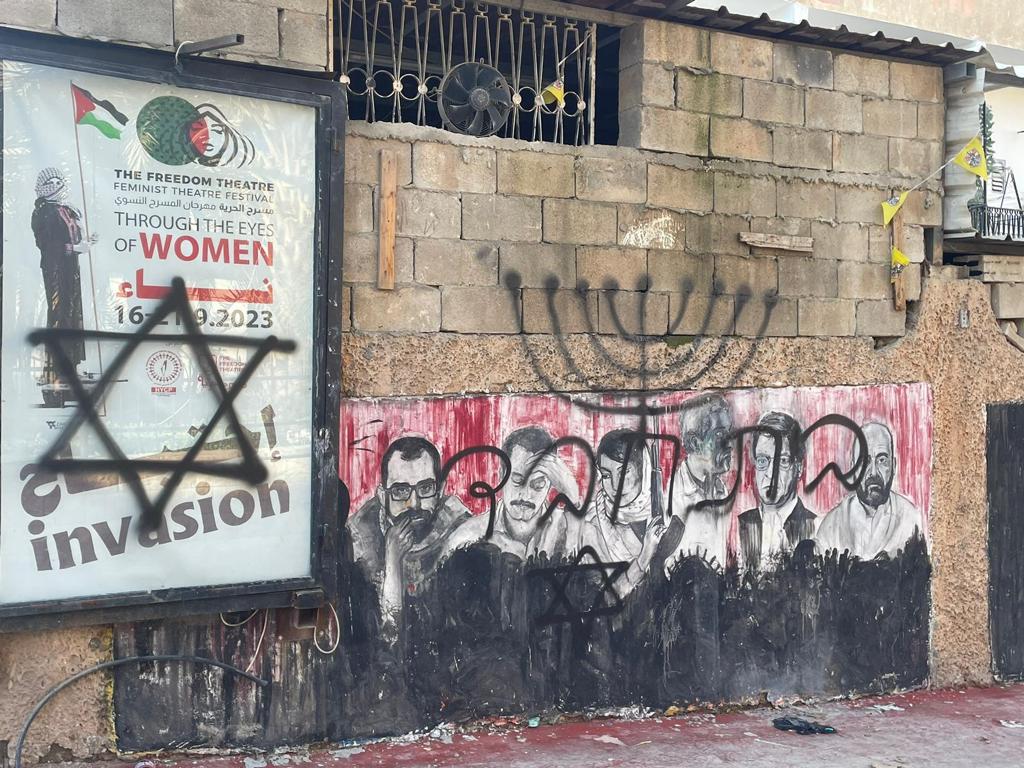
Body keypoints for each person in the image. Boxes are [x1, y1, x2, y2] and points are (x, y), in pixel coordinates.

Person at [347, 436, 469, 637]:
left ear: (440, 490)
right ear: (382, 495)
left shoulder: (460, 529)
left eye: (425, 488)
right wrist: (392, 561)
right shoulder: (359, 536)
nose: (414, 503)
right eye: (401, 490)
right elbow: (385, 634)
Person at [442, 426, 580, 560]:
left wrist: (572, 498)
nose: (526, 495)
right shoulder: (468, 536)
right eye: (517, 481)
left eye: (538, 485)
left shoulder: (568, 526)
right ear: (501, 476)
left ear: (551, 484)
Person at [816, 422, 926, 559]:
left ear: (893, 466)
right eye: (865, 462)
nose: (873, 472)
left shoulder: (911, 521)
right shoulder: (832, 527)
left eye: (882, 460)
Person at [571, 429, 663, 594]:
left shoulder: (664, 512)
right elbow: (607, 597)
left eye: (623, 473)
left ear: (643, 471)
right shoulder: (593, 526)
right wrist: (644, 558)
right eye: (606, 475)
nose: (614, 486)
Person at [31, 167, 96, 391]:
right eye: (56, 183)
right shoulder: (42, 212)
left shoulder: (66, 209)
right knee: (58, 313)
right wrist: (75, 247)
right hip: (55, 269)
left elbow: (73, 235)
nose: (60, 186)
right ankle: (54, 370)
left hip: (71, 268)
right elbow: (47, 246)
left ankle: (72, 366)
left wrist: (85, 240)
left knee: (73, 312)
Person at [662, 395, 735, 572]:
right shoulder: (672, 497)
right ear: (695, 443)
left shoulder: (720, 490)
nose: (730, 444)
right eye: (719, 435)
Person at [737, 411, 817, 572]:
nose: (770, 473)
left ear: (799, 467)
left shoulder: (815, 528)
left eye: (782, 461)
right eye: (762, 461)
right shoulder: (739, 527)